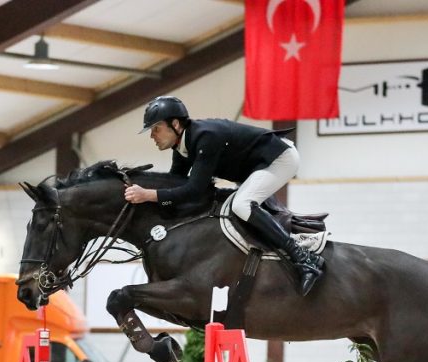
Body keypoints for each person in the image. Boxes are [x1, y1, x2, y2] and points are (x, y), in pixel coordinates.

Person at [123, 96, 325, 296]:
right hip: (256, 167)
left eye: (156, 128)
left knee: (241, 205)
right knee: (237, 204)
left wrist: (148, 194)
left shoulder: (206, 136)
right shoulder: (182, 147)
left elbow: (194, 190)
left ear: (175, 124)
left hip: (279, 158)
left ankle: (304, 258)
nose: (152, 136)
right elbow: (175, 185)